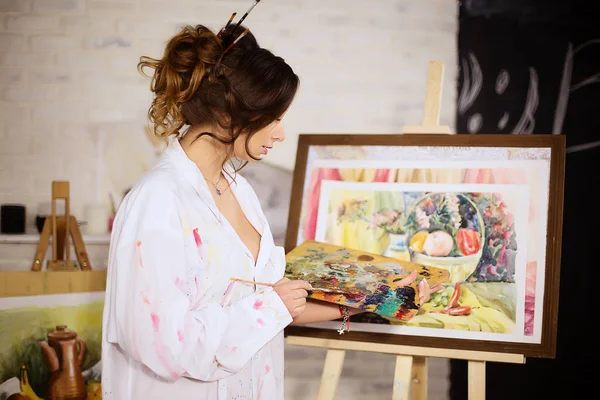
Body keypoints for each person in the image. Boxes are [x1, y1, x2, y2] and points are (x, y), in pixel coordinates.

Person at [101, 20, 363, 400]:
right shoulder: (157, 201)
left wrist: (369, 301)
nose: (280, 133)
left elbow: (277, 303)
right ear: (229, 114)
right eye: (273, 118)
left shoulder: (240, 191)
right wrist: (270, 307)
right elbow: (159, 344)